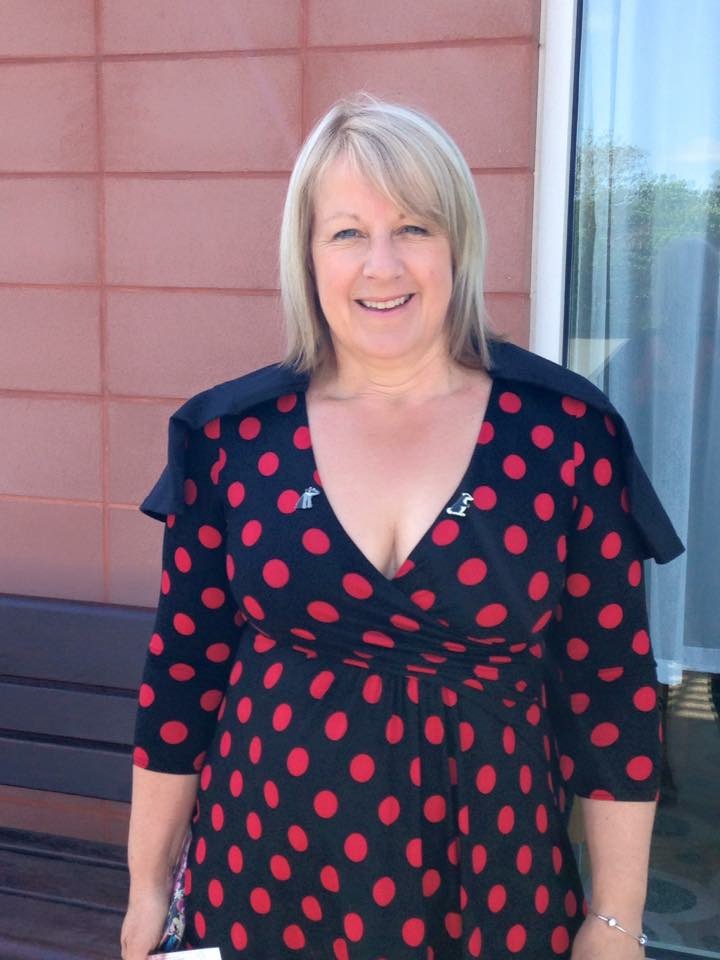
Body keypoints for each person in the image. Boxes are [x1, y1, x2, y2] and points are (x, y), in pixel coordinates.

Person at [121, 95, 684, 960]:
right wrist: (148, 887)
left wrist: (614, 919)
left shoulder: (567, 434)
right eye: (347, 232)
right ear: (308, 255)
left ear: (457, 244)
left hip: (491, 879)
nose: (381, 265)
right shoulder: (231, 437)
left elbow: (610, 692)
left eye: (414, 227)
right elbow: (182, 677)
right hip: (261, 872)